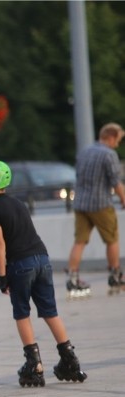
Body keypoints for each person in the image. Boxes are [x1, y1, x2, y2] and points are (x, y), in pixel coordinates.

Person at [0, 159, 87, 388]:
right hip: (42, 260)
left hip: (20, 264)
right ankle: (70, 360)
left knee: (22, 313)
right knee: (50, 312)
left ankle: (34, 366)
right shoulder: (18, 203)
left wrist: (2, 275)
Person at [66, 122, 125, 297]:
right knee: (111, 239)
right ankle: (115, 276)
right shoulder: (109, 154)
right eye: (118, 140)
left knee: (80, 241)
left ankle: (73, 277)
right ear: (111, 137)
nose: (118, 144)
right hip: (101, 204)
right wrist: (123, 199)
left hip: (81, 204)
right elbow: (115, 181)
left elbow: (77, 176)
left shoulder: (84, 152)